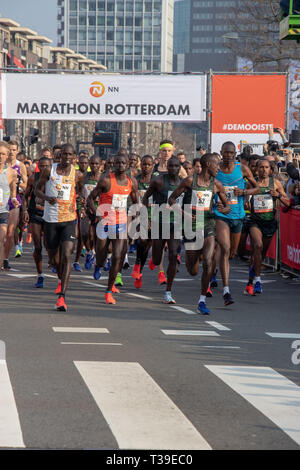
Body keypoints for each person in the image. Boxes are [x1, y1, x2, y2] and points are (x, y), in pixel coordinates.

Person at [168, 153, 229, 314]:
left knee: (208, 260)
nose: (219, 167)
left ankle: (202, 300)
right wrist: (184, 213)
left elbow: (227, 205)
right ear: (208, 164)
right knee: (193, 270)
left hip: (208, 223)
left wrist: (225, 208)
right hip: (191, 225)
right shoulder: (189, 181)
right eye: (217, 165)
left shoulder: (216, 185)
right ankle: (191, 261)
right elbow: (172, 200)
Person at [35, 143, 85, 311]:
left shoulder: (77, 174)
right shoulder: (49, 170)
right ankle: (59, 276)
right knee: (54, 258)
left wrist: (83, 202)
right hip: (51, 220)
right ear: (60, 155)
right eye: (65, 154)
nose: (67, 157)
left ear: (74, 157)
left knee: (66, 255)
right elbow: (36, 190)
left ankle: (62, 296)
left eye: (71, 155)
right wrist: (46, 197)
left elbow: (81, 190)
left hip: (69, 220)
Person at [87, 153, 138, 304]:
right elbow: (91, 198)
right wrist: (98, 213)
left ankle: (109, 290)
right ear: (113, 164)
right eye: (118, 163)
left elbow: (135, 200)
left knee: (117, 255)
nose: (120, 165)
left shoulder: (131, 182)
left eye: (123, 163)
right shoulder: (106, 180)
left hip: (120, 223)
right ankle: (98, 264)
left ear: (128, 165)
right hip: (104, 222)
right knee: (102, 255)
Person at [213, 141, 259, 306]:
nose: (229, 156)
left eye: (231, 153)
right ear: (221, 152)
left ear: (235, 153)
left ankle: (214, 266)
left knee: (231, 253)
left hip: (237, 216)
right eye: (226, 153)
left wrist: (245, 192)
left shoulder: (243, 169)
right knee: (225, 248)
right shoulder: (216, 170)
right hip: (220, 215)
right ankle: (226, 290)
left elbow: (257, 188)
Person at [243, 159, 289, 295]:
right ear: (256, 169)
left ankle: (250, 282)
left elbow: (287, 203)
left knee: (259, 256)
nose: (263, 170)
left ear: (270, 169)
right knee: (257, 245)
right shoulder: (251, 183)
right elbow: (245, 200)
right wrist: (246, 204)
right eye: (261, 167)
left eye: (266, 167)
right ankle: (258, 280)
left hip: (269, 222)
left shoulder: (275, 183)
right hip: (254, 221)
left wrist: (278, 195)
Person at [142, 157, 182, 304]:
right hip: (159, 222)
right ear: (167, 167)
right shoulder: (159, 181)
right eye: (170, 166)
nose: (173, 169)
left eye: (176, 166)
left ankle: (168, 292)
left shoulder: (183, 183)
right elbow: (145, 198)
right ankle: (154, 260)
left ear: (179, 167)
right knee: (157, 258)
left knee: (173, 254)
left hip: (175, 224)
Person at [24, 156, 52, 288]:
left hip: (49, 215)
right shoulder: (33, 178)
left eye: (46, 166)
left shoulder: (53, 179)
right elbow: (25, 196)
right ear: (38, 166)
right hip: (35, 214)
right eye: (41, 166)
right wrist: (25, 211)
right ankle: (40, 275)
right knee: (38, 246)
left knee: (49, 245)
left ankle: (52, 261)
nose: (44, 168)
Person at [3, 140, 28, 269]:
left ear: (17, 151)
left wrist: (18, 182)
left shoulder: (21, 165)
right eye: (10, 150)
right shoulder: (2, 164)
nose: (12, 152)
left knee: (10, 232)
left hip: (14, 199)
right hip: (2, 198)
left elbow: (26, 184)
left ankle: (5, 258)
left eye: (14, 150)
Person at [131, 155, 155, 288]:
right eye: (144, 165)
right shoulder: (136, 180)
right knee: (142, 240)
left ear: (152, 166)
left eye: (149, 164)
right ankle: (138, 262)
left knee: (147, 246)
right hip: (139, 215)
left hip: (154, 215)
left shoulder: (156, 181)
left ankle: (139, 270)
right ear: (141, 166)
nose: (146, 167)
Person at [0, 141, 18, 270]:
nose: (0, 156)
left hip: (3, 210)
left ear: (7, 156)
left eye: (2, 154)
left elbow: (13, 189)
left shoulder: (11, 172)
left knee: (1, 238)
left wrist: (13, 198)